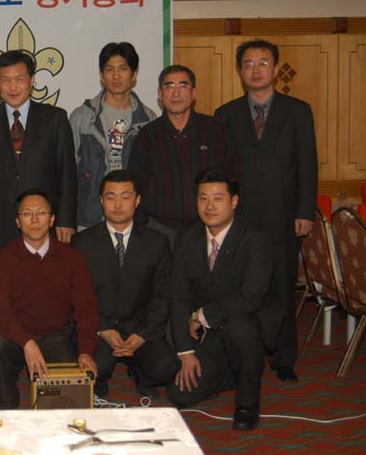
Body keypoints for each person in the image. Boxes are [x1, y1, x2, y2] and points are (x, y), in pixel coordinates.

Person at [215, 39, 318, 383]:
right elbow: (223, 171)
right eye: (248, 64)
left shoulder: (298, 111)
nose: (255, 70)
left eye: (262, 63)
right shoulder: (226, 115)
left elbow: (307, 165)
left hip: (284, 217)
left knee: (282, 290)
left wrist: (305, 211)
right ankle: (242, 354)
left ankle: (284, 358)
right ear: (240, 70)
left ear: (275, 69)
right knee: (240, 290)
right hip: (240, 222)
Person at [166, 167, 282, 431]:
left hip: (247, 321)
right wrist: (185, 352)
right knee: (179, 394)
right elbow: (178, 295)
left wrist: (201, 315)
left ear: (234, 201)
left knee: (240, 328)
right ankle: (233, 371)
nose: (209, 206)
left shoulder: (256, 238)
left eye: (218, 198)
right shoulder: (187, 237)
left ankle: (247, 402)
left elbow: (251, 297)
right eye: (203, 198)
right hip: (209, 334)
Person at [0, 189, 99, 409]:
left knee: (64, 400)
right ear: (17, 221)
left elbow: (86, 308)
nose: (35, 219)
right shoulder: (3, 259)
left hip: (55, 336)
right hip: (15, 336)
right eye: (27, 214)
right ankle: (8, 395)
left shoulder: (71, 257)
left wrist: (86, 351)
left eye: (41, 213)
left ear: (52, 219)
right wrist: (26, 342)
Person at [71, 170, 177, 399]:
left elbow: (162, 296)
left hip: (139, 326)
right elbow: (77, 297)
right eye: (111, 197)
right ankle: (101, 381)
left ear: (137, 200)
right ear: (101, 201)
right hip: (99, 325)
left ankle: (139, 372)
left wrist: (142, 335)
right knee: (95, 367)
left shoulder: (157, 242)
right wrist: (102, 329)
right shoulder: (81, 243)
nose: (118, 205)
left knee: (166, 367)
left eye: (125, 196)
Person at [0, 50, 77, 256]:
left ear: (32, 80)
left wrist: (66, 219)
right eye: (5, 80)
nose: (13, 86)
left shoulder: (55, 118)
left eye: (19, 79)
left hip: (44, 222)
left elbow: (67, 172)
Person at [129, 65, 229, 246]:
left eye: (183, 86)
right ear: (160, 94)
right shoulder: (147, 136)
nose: (176, 93)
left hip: (207, 227)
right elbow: (135, 185)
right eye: (169, 86)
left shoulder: (215, 130)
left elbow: (231, 176)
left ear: (193, 93)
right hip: (159, 230)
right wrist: (144, 225)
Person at [69, 42, 157, 230]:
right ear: (102, 76)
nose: (116, 76)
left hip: (134, 221)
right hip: (89, 219)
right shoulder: (82, 117)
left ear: (134, 75)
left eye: (123, 69)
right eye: (109, 69)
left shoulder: (148, 120)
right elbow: (68, 173)